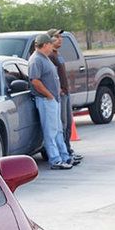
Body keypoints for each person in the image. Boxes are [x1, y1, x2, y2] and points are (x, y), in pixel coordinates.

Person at [29, 33, 77, 170]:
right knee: (50, 131)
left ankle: (64, 156)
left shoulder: (45, 58)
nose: (52, 46)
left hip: (53, 100)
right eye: (50, 43)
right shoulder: (36, 60)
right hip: (45, 101)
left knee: (58, 130)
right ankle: (55, 160)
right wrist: (49, 95)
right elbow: (35, 81)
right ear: (44, 45)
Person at [47, 28, 83, 162]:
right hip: (59, 94)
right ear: (49, 39)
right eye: (57, 37)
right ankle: (63, 153)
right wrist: (59, 90)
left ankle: (68, 150)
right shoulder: (49, 56)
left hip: (66, 92)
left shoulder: (57, 54)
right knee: (62, 124)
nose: (60, 39)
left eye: (60, 37)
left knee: (68, 123)